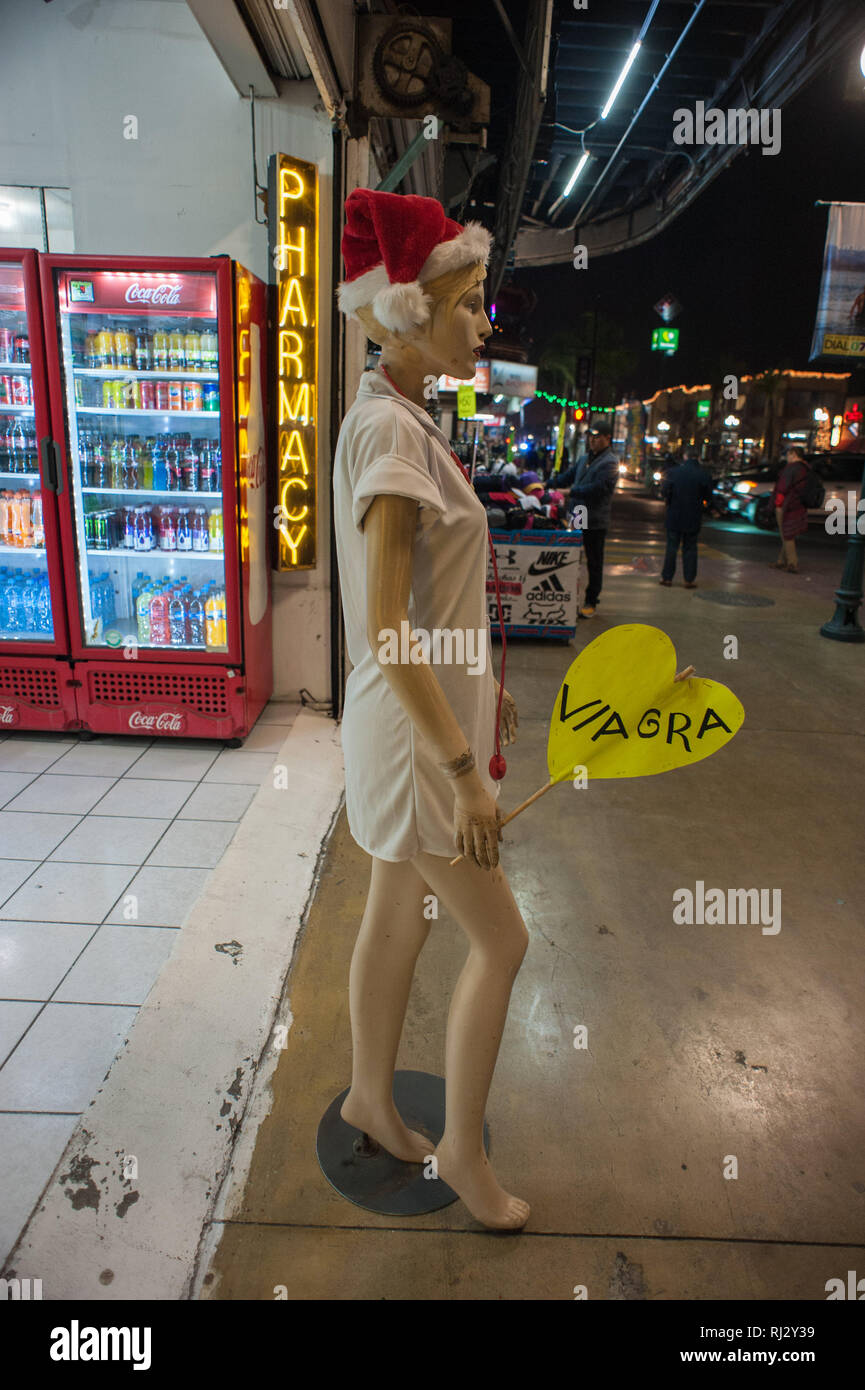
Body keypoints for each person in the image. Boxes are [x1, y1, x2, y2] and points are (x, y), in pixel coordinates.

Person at [333, 187, 530, 1231]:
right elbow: (384, 627)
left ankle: (371, 1093)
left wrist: (483, 687)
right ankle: (461, 1151)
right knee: (503, 944)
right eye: (468, 303)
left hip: (408, 729)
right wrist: (462, 770)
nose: (483, 321)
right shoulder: (396, 438)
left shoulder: (397, 419)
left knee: (392, 913)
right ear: (411, 313)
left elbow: (422, 610)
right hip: (417, 748)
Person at [569, 424, 619, 617]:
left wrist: (571, 491)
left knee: (594, 561)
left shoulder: (610, 462)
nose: (593, 440)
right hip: (578, 514)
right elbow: (570, 476)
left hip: (595, 519)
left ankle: (591, 600)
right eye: (591, 436)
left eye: (597, 437)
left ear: (607, 438)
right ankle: (571, 598)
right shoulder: (585, 458)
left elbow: (599, 489)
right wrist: (547, 485)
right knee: (573, 557)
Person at [658, 450, 713, 588]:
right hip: (693, 516)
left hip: (674, 515)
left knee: (671, 547)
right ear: (698, 458)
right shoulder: (704, 475)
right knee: (690, 548)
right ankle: (689, 580)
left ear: (685, 456)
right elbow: (708, 497)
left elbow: (664, 492)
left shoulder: (673, 472)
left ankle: (667, 578)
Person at [770, 444, 810, 573]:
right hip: (799, 504)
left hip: (786, 504)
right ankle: (781, 561)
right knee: (787, 533)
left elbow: (782, 488)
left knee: (786, 535)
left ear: (793, 454)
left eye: (788, 455)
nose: (787, 458)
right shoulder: (806, 468)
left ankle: (792, 563)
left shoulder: (791, 469)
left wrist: (776, 504)